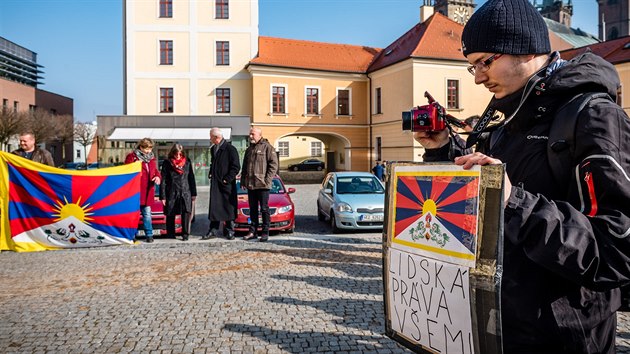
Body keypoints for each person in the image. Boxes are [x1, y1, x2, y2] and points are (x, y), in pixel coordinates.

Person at [414, 0, 630, 352]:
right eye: (472, 67)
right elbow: (485, 192)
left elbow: (617, 251)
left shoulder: (593, 116)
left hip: (566, 333)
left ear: (527, 48)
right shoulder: (506, 116)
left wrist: (513, 201)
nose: (480, 76)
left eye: (486, 61)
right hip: (498, 322)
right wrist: (443, 150)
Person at [240, 127, 279, 242]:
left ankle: (265, 232)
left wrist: (267, 181)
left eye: (252, 134)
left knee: (264, 209)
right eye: (250, 134)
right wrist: (243, 181)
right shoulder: (249, 149)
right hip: (251, 185)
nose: (250, 136)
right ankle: (253, 231)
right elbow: (245, 166)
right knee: (252, 209)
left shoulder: (267, 147)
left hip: (263, 185)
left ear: (259, 135)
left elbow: (273, 165)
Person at [204, 127, 240, 240]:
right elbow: (213, 163)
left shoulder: (230, 149)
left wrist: (227, 179)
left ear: (216, 137)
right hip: (216, 184)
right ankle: (213, 230)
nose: (210, 139)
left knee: (228, 207)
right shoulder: (213, 148)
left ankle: (229, 230)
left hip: (226, 185)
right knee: (215, 207)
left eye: (211, 137)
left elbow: (236, 167)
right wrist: (211, 172)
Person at [125, 138, 161, 243]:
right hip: (135, 192)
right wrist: (136, 165)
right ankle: (132, 235)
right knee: (134, 215)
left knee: (147, 215)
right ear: (141, 147)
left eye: (150, 148)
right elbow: (127, 171)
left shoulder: (151, 159)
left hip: (148, 192)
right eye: (146, 148)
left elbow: (155, 171)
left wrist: (158, 177)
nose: (149, 151)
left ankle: (149, 235)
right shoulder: (132, 157)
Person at [159, 144, 197, 241]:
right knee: (170, 213)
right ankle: (171, 234)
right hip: (171, 191)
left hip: (185, 191)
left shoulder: (187, 162)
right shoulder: (167, 163)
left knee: (186, 212)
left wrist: (193, 193)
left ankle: (185, 234)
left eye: (180, 154)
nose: (178, 156)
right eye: (176, 154)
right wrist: (163, 196)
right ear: (172, 153)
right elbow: (163, 180)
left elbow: (191, 178)